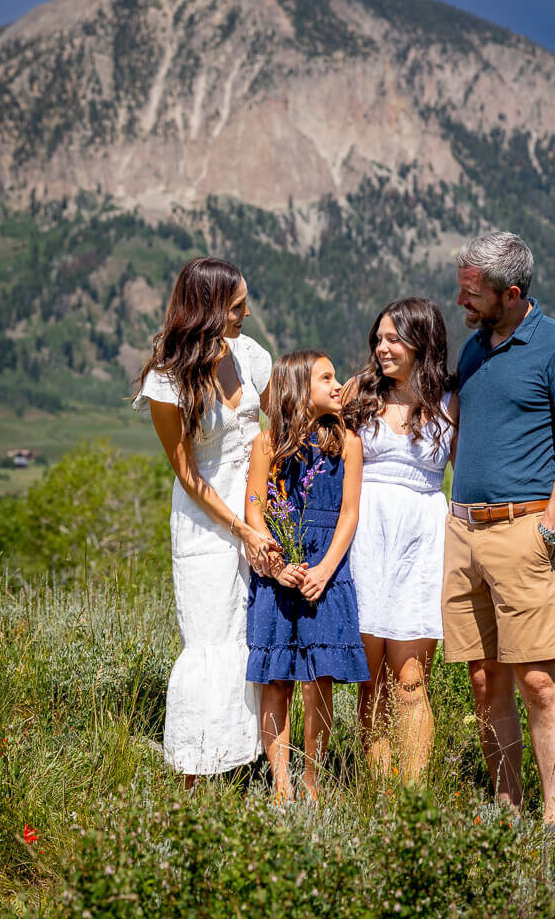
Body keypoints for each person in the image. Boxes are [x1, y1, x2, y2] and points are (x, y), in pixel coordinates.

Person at [442, 231, 555, 826]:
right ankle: (507, 806)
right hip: (464, 533)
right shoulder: (474, 349)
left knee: (536, 679)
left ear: (511, 293)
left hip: (525, 532)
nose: (461, 303)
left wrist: (549, 530)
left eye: (471, 294)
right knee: (485, 681)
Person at [133, 257, 281, 789]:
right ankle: (196, 774)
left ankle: (244, 763)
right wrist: (240, 529)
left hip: (257, 510)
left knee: (252, 633)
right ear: (208, 308)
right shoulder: (167, 380)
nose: (245, 314)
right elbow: (188, 473)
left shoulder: (251, 357)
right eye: (236, 306)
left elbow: (275, 428)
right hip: (204, 522)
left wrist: (264, 515)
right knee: (209, 637)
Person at [245, 350, 369, 802]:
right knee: (277, 679)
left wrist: (325, 569)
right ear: (298, 386)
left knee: (320, 680)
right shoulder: (266, 443)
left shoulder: (348, 443)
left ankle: (312, 781)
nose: (339, 386)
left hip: (326, 573)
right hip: (280, 571)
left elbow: (349, 515)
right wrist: (276, 566)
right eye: (326, 378)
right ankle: (281, 787)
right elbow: (254, 509)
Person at [343, 299, 457, 782]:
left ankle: (411, 800)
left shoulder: (451, 401)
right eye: (379, 338)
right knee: (369, 682)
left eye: (394, 339)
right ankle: (378, 795)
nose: (381, 347)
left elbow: (468, 470)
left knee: (410, 681)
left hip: (422, 543)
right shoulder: (359, 395)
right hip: (365, 536)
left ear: (422, 343)